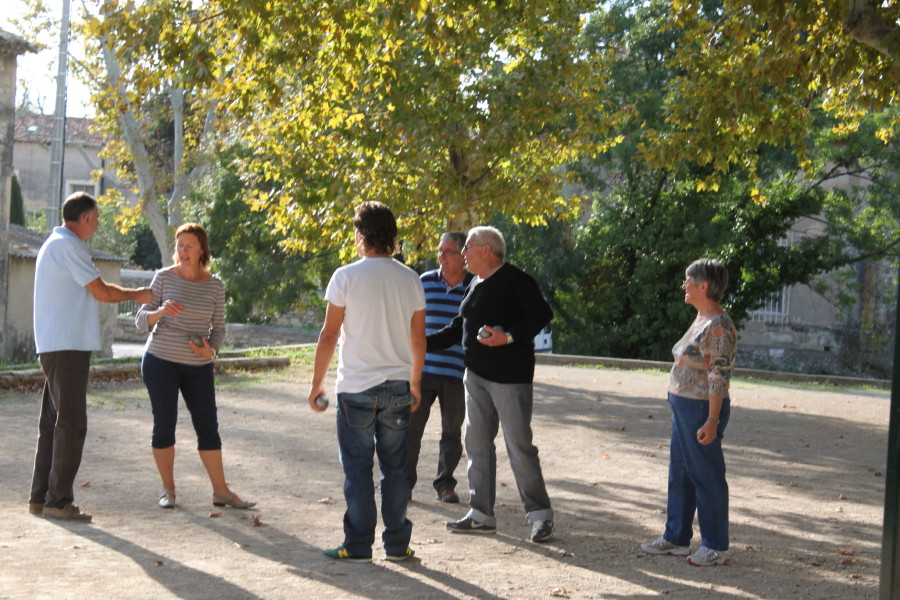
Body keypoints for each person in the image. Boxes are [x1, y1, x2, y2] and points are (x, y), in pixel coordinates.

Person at [308, 201, 426, 563]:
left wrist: (316, 384)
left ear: (361, 235)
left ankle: (358, 545)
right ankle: (397, 545)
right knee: (395, 470)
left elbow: (329, 336)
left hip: (356, 387)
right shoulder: (410, 278)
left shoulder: (345, 276)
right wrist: (415, 382)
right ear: (392, 236)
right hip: (397, 387)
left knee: (358, 469)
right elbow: (419, 339)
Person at [29, 192, 154, 522]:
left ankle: (41, 497)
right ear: (84, 218)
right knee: (71, 425)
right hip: (67, 347)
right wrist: (139, 295)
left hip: (58, 344)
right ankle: (58, 501)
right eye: (96, 219)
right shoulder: (69, 246)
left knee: (54, 425)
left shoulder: (55, 244)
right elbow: (101, 291)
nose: (97, 225)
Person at [428, 226, 555, 543]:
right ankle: (481, 514)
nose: (463, 253)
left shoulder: (516, 280)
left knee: (519, 448)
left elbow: (542, 312)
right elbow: (461, 327)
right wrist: (421, 342)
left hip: (510, 380)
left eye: (467, 247)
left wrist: (508, 336)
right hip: (475, 377)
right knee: (477, 446)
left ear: (487, 249)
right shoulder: (475, 283)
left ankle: (540, 517)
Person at [135, 223, 255, 511]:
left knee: (208, 428)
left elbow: (219, 329)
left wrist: (211, 350)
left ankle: (221, 492)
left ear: (202, 249)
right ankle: (169, 490)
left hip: (198, 365)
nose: (183, 251)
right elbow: (140, 319)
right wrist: (161, 312)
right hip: (160, 362)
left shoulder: (215, 285)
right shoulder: (163, 278)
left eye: (189, 245)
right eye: (180, 245)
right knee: (164, 425)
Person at [641, 258, 737, 567]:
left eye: (688, 281)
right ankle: (677, 537)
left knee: (706, 475)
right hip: (684, 406)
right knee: (680, 474)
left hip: (700, 410)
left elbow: (718, 377)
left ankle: (714, 545)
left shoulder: (718, 326)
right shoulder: (701, 318)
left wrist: (711, 420)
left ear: (704, 286)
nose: (684, 286)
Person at [406, 232, 474, 504]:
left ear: (463, 256)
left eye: (448, 252)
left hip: (457, 373)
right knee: (410, 430)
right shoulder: (424, 282)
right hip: (421, 371)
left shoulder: (475, 285)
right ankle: (403, 484)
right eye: (440, 251)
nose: (441, 257)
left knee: (452, 432)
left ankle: (445, 485)